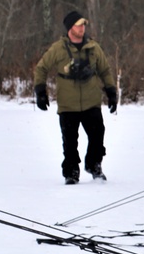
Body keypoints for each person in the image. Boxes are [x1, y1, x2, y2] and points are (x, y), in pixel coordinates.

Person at [33, 10, 117, 184]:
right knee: (69, 142)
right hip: (67, 104)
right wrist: (40, 92)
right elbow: (41, 68)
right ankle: (71, 173)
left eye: (84, 25)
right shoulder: (58, 48)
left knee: (97, 136)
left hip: (91, 101)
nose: (82, 28)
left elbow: (105, 70)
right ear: (70, 27)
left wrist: (111, 91)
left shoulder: (94, 47)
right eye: (79, 25)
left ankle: (94, 165)